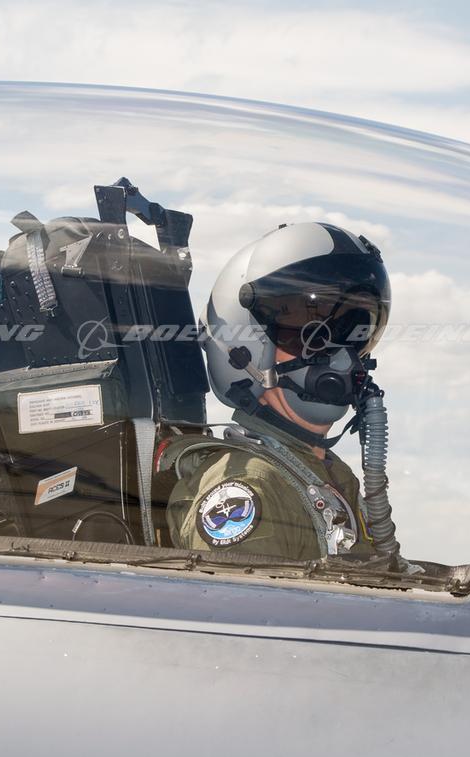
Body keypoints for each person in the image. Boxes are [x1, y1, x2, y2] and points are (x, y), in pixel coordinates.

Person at [161, 222, 397, 561]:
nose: (341, 356)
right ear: (244, 351)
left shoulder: (325, 475)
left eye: (349, 331)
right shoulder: (251, 486)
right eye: (311, 335)